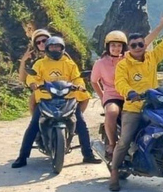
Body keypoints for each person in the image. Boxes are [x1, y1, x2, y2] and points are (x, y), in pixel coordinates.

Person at [108, 15, 163, 191]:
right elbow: (120, 82)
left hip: (154, 105)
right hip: (133, 108)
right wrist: (130, 92)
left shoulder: (152, 57)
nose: (138, 48)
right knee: (124, 141)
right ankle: (115, 172)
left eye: (141, 44)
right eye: (134, 45)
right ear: (129, 48)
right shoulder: (123, 65)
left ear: (145, 45)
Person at [11, 36, 101, 168]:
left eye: (57, 47)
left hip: (67, 98)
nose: (55, 49)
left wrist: (79, 85)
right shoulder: (40, 63)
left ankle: (88, 154)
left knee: (81, 123)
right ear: (47, 49)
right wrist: (34, 84)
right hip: (46, 98)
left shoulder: (69, 63)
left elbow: (77, 77)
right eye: (52, 47)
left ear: (62, 48)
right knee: (34, 124)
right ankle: (22, 156)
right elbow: (32, 76)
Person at [90, 16, 163, 158]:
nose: (116, 48)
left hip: (134, 95)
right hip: (114, 96)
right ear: (108, 46)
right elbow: (94, 81)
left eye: (119, 45)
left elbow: (145, 42)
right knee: (112, 112)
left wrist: (160, 26)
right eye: (113, 45)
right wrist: (103, 97)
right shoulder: (100, 63)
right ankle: (113, 144)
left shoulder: (127, 57)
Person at [18, 29, 50, 115]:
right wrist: (23, 61)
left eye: (44, 41)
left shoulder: (62, 56)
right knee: (32, 101)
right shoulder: (36, 62)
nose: (41, 44)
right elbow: (22, 79)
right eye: (38, 42)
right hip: (42, 90)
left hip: (62, 88)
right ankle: (35, 123)